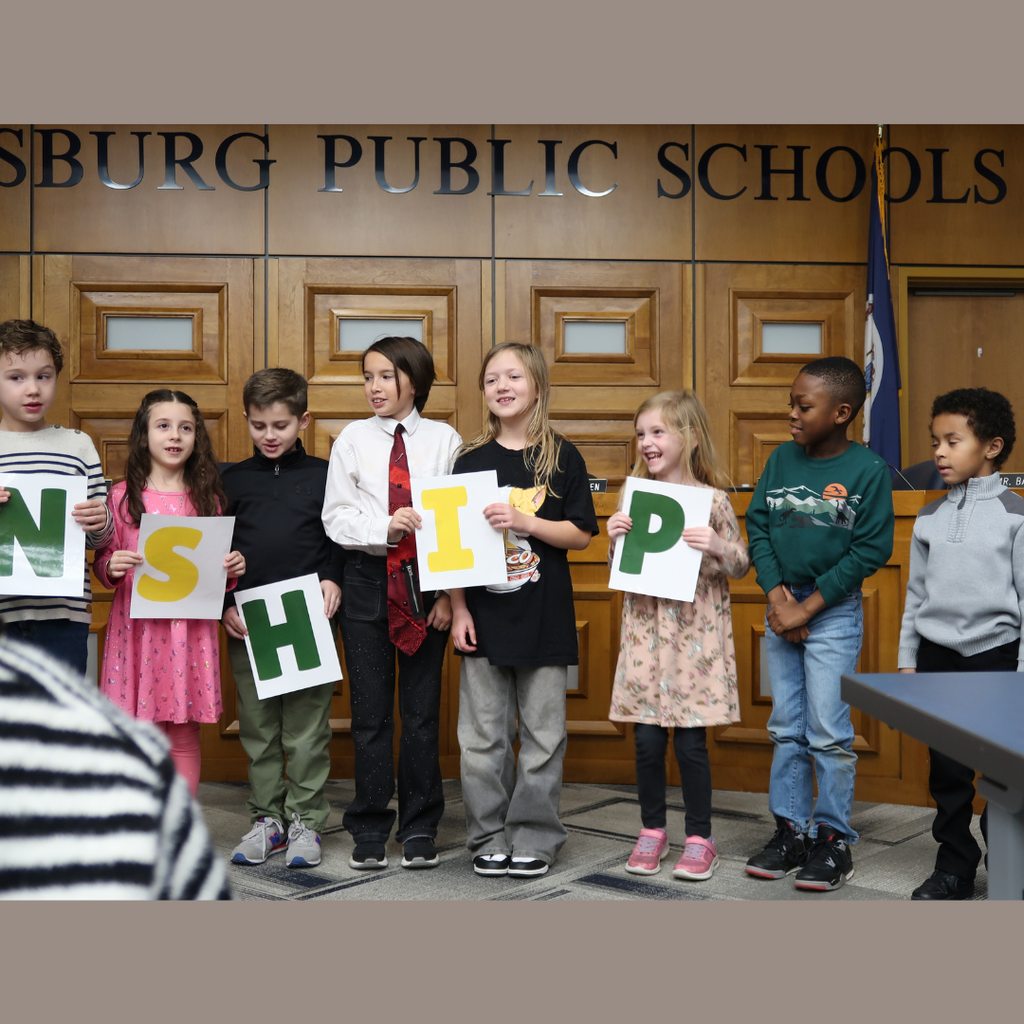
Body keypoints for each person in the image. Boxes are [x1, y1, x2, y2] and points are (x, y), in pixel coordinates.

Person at [744, 356, 894, 891]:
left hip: (831, 613)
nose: (792, 413)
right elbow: (758, 525)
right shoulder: (781, 460)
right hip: (783, 603)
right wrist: (778, 595)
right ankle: (790, 831)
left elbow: (870, 550)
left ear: (842, 412)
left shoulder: (867, 472)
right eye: (792, 403)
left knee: (828, 733)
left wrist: (806, 609)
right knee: (786, 727)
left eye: (803, 406)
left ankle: (833, 842)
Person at [449, 341, 598, 878]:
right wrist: (459, 610)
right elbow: (452, 549)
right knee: (481, 738)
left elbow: (580, 534)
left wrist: (526, 521)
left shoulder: (562, 456)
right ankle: (487, 834)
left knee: (543, 736)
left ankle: (534, 835)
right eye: (492, 379)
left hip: (544, 617)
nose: (503, 386)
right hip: (483, 620)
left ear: (537, 385)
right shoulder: (469, 460)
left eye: (514, 376)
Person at [321, 336, 460, 870]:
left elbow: (457, 519)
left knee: (422, 715)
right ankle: (370, 823)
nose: (373, 387)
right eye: (367, 376)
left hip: (427, 585)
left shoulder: (446, 440)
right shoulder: (352, 439)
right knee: (370, 715)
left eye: (384, 376)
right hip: (366, 584)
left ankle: (421, 825)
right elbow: (336, 517)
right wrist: (385, 525)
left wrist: (449, 594)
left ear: (414, 379)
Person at [607, 391, 749, 881]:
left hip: (694, 649)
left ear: (688, 437)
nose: (646, 442)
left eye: (658, 432)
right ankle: (651, 829)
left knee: (690, 748)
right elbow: (621, 571)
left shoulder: (714, 502)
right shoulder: (633, 499)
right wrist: (614, 538)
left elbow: (741, 564)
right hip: (647, 645)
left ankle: (699, 837)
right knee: (646, 744)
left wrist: (719, 545)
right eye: (641, 433)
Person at [898, 387, 1022, 900]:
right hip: (938, 658)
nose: (940, 453)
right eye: (936, 443)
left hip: (997, 656)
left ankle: (1009, 862)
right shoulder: (928, 518)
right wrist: (909, 661)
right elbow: (914, 595)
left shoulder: (1017, 515)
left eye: (953, 441)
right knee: (948, 773)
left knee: (1002, 773)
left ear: (991, 447)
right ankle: (953, 866)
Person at [221, 368, 345, 869]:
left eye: (280, 425)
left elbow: (342, 537)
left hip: (305, 617)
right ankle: (266, 820)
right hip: (248, 619)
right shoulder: (230, 480)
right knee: (257, 727)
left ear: (303, 420)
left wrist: (333, 576)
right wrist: (222, 606)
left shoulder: (325, 475)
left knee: (307, 729)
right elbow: (216, 550)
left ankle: (306, 822)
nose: (269, 436)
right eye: (258, 426)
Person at [94, 390, 246, 797]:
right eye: (163, 426)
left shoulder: (208, 500)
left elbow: (211, 573)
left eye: (186, 428)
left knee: (182, 732)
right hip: (137, 634)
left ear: (197, 437)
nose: (175, 436)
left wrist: (230, 571)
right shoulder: (120, 497)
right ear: (144, 435)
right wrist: (111, 566)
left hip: (187, 635)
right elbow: (103, 560)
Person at [0, 637, 231, 900]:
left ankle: (174, 830)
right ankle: (148, 824)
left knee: (183, 729)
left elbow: (224, 592)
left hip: (187, 627)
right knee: (142, 726)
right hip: (138, 629)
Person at [0, 319, 114, 674]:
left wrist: (101, 520)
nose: (32, 389)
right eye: (16, 377)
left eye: (43, 376)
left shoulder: (77, 446)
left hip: (64, 616)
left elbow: (101, 537)